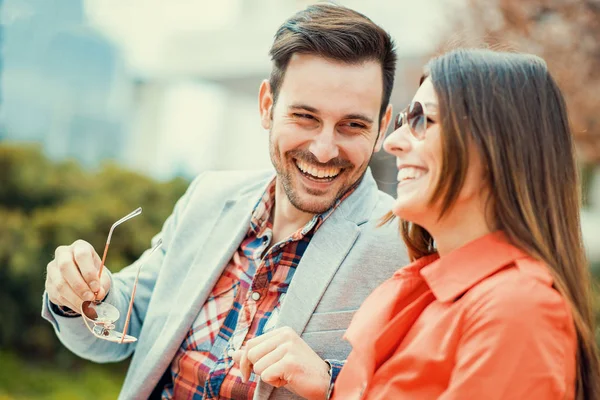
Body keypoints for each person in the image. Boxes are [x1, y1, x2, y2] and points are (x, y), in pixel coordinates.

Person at [42, 3, 408, 400]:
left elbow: (421, 388)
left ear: (382, 125)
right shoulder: (208, 197)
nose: (323, 150)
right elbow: (124, 321)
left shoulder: (404, 248)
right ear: (267, 105)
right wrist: (79, 297)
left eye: (352, 125)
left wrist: (331, 380)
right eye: (305, 117)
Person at [324, 48, 600, 399]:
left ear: (496, 143)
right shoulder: (432, 294)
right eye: (404, 120)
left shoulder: (516, 308)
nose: (391, 143)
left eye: (422, 120)